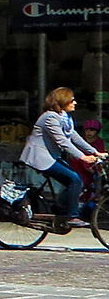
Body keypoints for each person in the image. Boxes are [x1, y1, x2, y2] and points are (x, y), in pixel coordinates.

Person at [22, 85, 104, 228]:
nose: (75, 103)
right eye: (72, 100)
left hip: (51, 156)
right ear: (63, 101)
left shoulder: (64, 117)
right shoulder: (50, 117)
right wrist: (82, 157)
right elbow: (62, 141)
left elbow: (74, 136)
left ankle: (59, 208)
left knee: (76, 180)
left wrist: (94, 151)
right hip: (40, 157)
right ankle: (72, 216)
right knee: (74, 179)